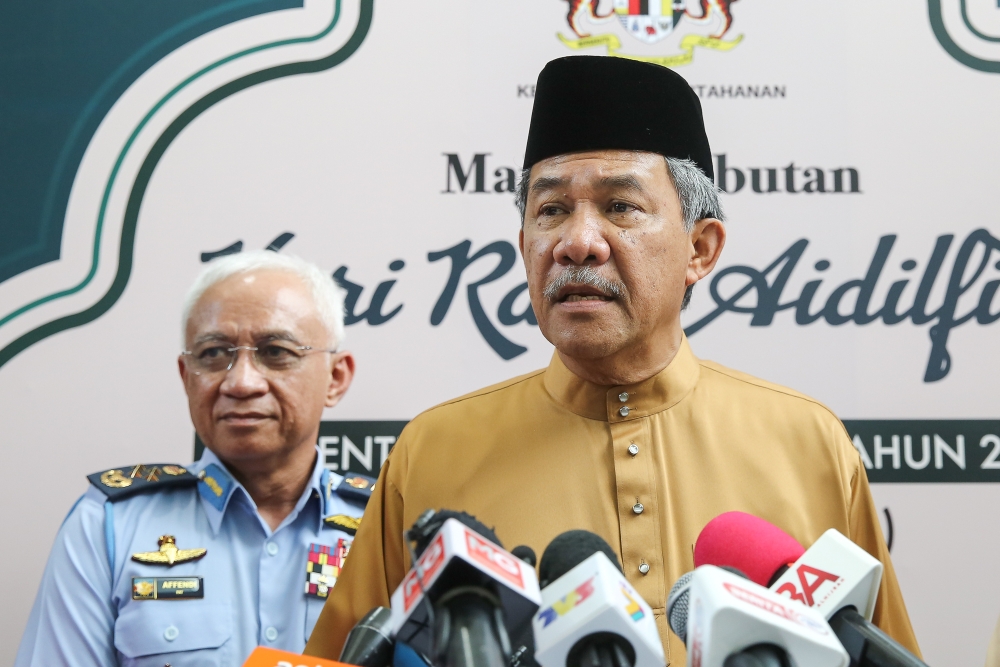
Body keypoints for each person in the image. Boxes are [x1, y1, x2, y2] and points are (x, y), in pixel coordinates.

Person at [304, 56, 921, 663]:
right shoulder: (431, 452)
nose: (577, 242)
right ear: (524, 246)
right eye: (551, 211)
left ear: (700, 249)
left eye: (620, 206)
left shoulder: (810, 444)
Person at [16, 251, 373, 666]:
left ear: (336, 378)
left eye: (275, 351)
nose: (241, 382)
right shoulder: (107, 525)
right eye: (214, 353)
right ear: (187, 377)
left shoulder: (383, 526)